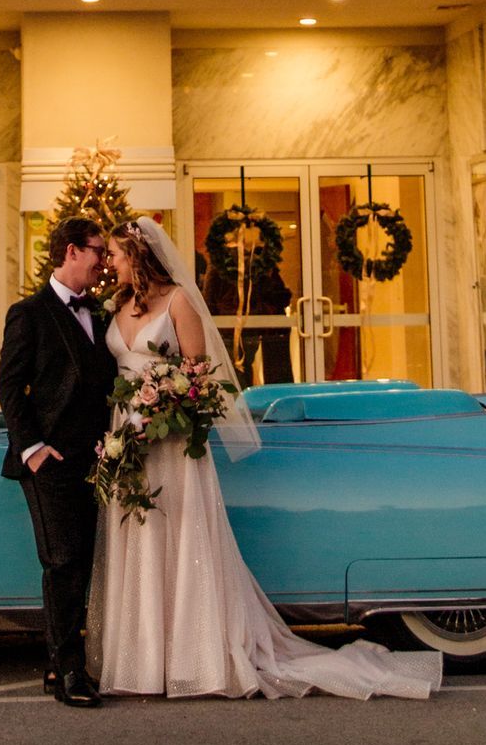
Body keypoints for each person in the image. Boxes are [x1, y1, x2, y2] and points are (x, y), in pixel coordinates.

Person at [88, 217, 443, 701]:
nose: (111, 262)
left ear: (139, 255)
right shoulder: (118, 304)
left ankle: (192, 657)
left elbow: (200, 378)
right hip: (125, 437)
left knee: (178, 538)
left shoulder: (179, 302)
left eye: (117, 254)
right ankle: (143, 659)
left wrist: (164, 407)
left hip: (170, 444)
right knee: (139, 537)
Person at [0, 214, 116, 706]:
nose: (103, 262)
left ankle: (57, 665)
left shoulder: (101, 315)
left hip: (97, 460)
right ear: (71, 251)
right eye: (97, 251)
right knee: (63, 562)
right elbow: (9, 386)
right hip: (49, 461)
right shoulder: (29, 313)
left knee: (83, 562)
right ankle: (69, 672)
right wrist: (33, 449)